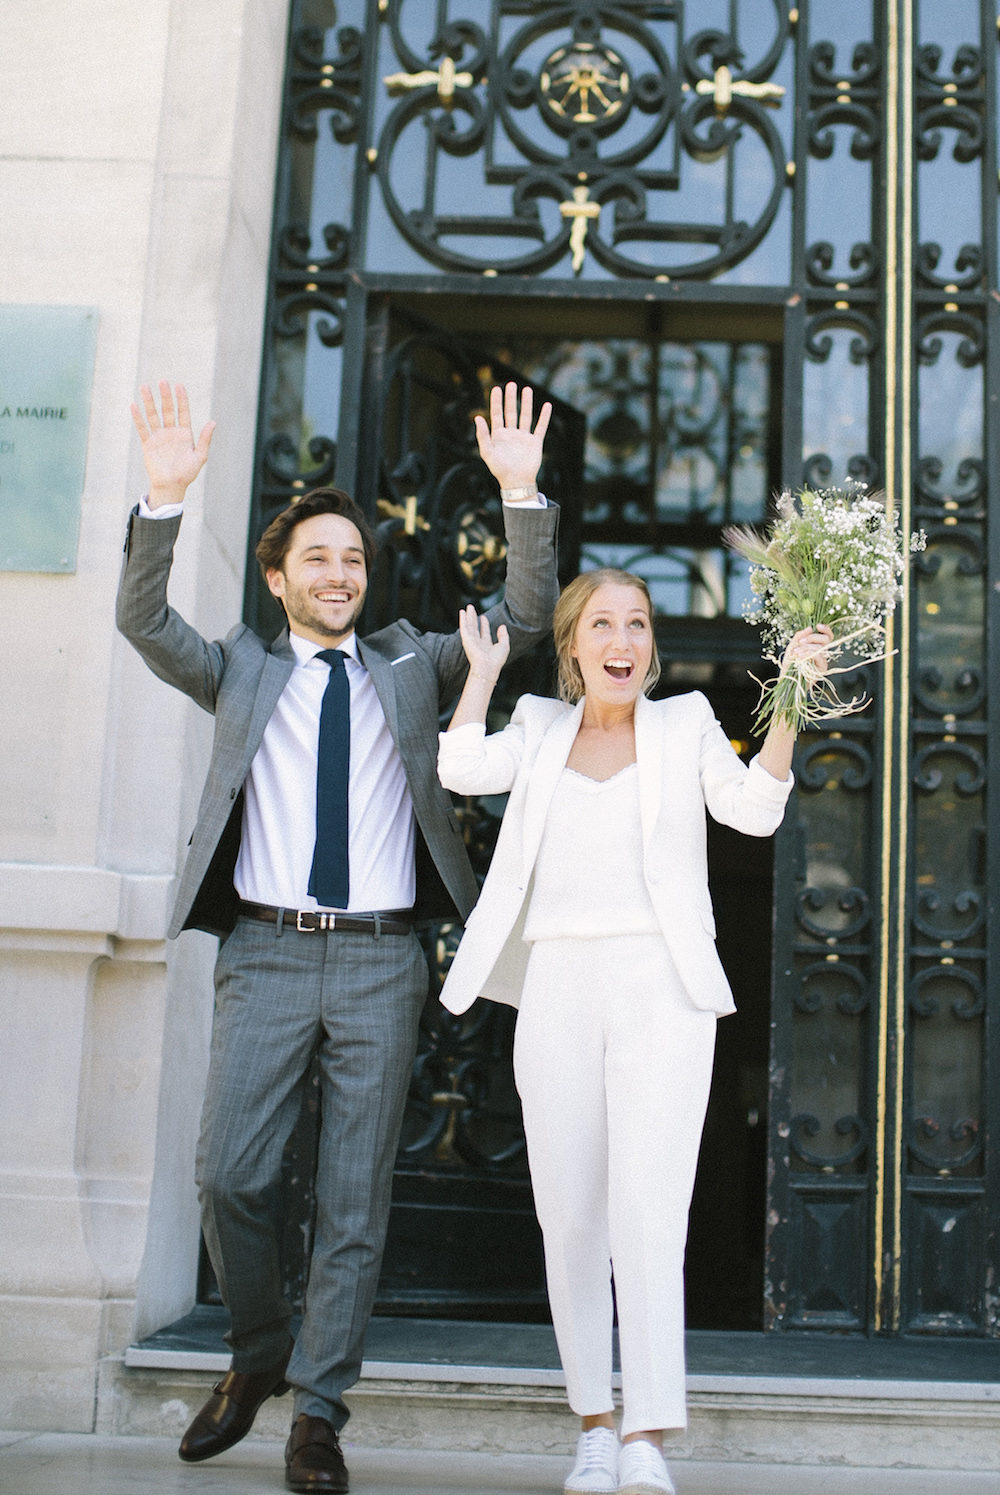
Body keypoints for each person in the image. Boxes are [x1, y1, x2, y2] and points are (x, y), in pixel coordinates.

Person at [116, 379, 559, 1494]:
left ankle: (317, 1409)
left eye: (352, 560)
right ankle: (258, 1345)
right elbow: (143, 622)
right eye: (316, 559)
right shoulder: (240, 670)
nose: (338, 575)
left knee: (357, 1196)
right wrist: (164, 499)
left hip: (378, 959)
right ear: (278, 578)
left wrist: (519, 495)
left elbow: (529, 613)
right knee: (232, 1173)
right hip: (264, 952)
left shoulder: (413, 664)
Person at [436, 570, 831, 1495]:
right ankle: (594, 1425)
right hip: (559, 982)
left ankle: (649, 1430)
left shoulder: (684, 722)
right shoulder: (534, 726)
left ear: (650, 646)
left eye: (639, 624)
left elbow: (752, 809)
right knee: (569, 1211)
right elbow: (461, 768)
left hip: (662, 983)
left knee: (649, 1208)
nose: (624, 639)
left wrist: (792, 700)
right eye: (604, 623)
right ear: (573, 643)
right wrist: (484, 679)